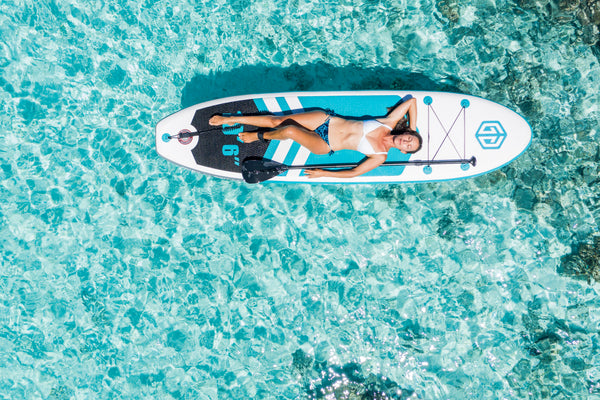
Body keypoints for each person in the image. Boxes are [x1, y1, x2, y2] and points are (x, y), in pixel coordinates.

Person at [209, 97, 422, 178]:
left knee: (290, 131)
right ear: (405, 134)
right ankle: (230, 120)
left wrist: (324, 173)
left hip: (325, 144)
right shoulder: (389, 122)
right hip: (326, 121)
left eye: (409, 146)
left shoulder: (380, 156)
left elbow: (354, 172)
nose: (406, 141)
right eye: (409, 138)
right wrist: (413, 129)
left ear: (403, 151)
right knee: (278, 121)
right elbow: (412, 102)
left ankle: (258, 136)